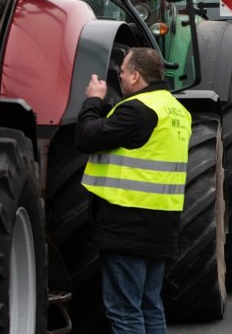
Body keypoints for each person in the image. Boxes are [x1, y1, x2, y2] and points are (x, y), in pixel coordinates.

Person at [75, 47, 192, 332]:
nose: (120, 77)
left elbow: (87, 137)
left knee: (124, 312)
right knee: (150, 304)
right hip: (161, 225)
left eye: (123, 72)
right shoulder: (176, 110)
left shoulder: (138, 110)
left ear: (136, 76)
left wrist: (92, 101)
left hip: (127, 227)